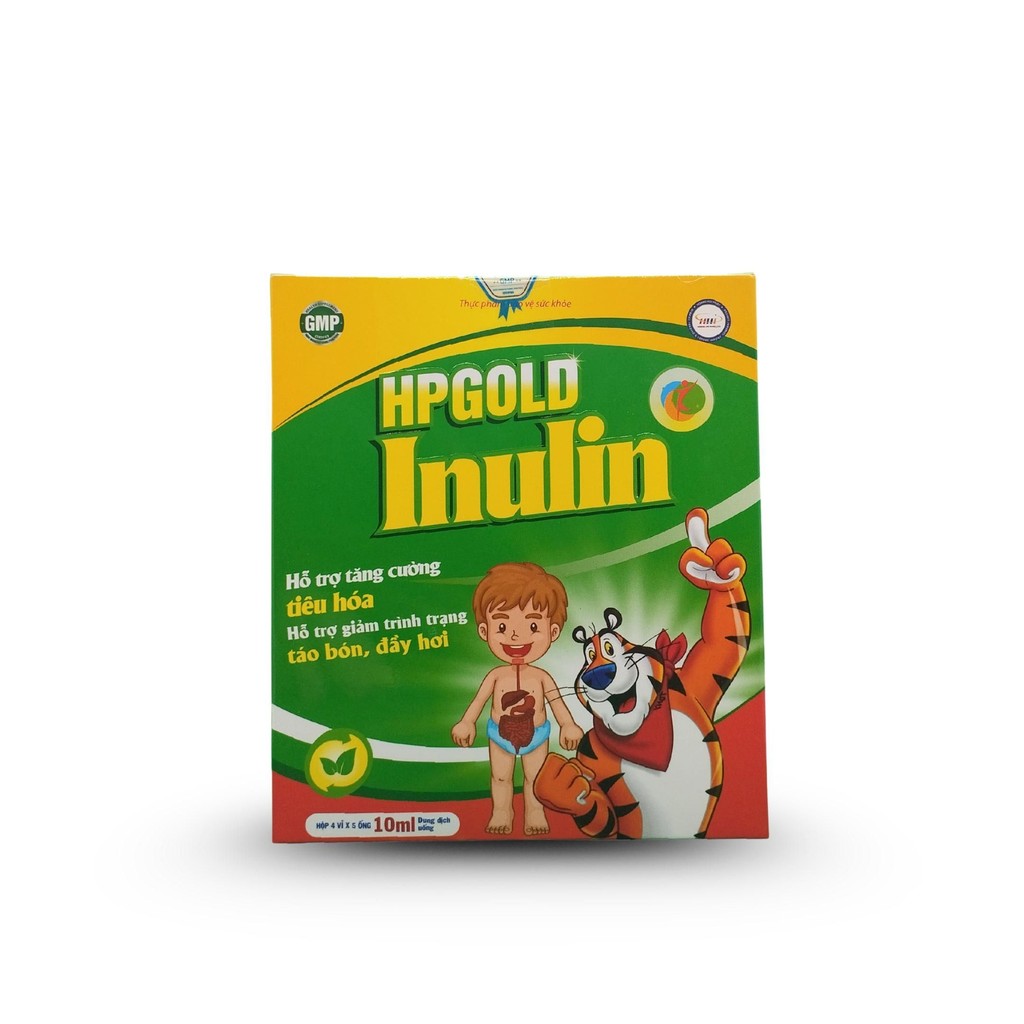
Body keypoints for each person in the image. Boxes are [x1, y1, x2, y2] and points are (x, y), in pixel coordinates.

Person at [451, 562, 582, 835]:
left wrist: (568, 725)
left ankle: (535, 813)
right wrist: (466, 722)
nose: (515, 635)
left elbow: (557, 703)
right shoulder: (496, 675)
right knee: (500, 777)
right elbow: (478, 702)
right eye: (501, 625)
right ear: (484, 631)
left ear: (553, 631)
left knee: (535, 779)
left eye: (533, 625)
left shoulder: (542, 677)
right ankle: (501, 811)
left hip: (537, 735)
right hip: (499, 734)